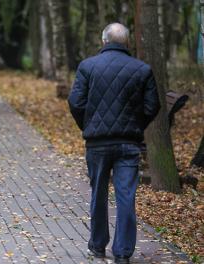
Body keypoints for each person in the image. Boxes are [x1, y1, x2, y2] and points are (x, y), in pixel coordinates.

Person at [68, 23, 160, 264]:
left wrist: (88, 126)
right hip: (128, 144)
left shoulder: (87, 66)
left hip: (97, 144)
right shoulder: (142, 69)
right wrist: (136, 126)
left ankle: (97, 247)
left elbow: (76, 102)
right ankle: (122, 253)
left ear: (104, 41)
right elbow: (153, 106)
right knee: (126, 196)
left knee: (98, 193)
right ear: (127, 42)